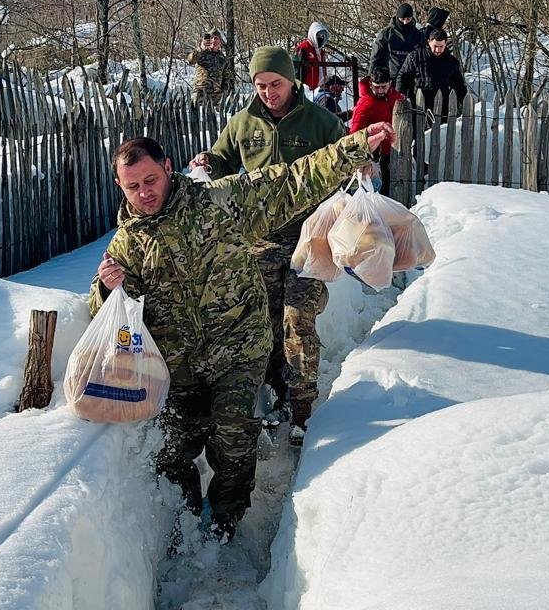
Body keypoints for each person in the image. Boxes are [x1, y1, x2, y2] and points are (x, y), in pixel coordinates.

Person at [93, 120, 394, 543]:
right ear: (120, 187)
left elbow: (290, 182)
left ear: (168, 167)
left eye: (151, 180)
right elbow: (108, 315)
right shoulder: (127, 245)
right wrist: (107, 289)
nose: (144, 193)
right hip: (177, 366)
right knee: (175, 449)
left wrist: (354, 148)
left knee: (233, 437)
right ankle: (182, 522)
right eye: (133, 186)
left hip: (237, 346)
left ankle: (225, 523)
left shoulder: (218, 203)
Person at [188, 46, 346, 447]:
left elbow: (344, 160)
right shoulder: (243, 123)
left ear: (291, 80)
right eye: (260, 85)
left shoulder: (321, 122)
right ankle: (274, 395)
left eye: (275, 84)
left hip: (309, 237)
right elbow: (223, 160)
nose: (268, 93)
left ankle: (302, 409)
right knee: (265, 321)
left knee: (298, 317)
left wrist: (360, 166)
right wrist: (207, 161)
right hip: (259, 240)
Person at [349, 66, 405, 194]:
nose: (380, 90)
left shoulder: (396, 98)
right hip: (376, 155)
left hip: (396, 150)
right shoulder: (366, 103)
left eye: (383, 87)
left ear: (390, 83)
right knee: (380, 189)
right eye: (376, 87)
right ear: (370, 85)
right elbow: (355, 132)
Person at [397, 28, 469, 116]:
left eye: (441, 47)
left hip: (442, 106)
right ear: (429, 42)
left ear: (445, 44)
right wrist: (400, 96)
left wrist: (464, 103)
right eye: (435, 46)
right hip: (417, 104)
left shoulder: (451, 62)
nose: (438, 50)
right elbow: (403, 77)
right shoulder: (415, 57)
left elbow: (459, 84)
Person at [370, 3, 425, 81]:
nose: (405, 22)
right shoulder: (386, 34)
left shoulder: (418, 35)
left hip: (411, 77)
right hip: (390, 77)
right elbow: (375, 56)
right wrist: (371, 76)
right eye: (402, 19)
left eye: (408, 19)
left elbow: (423, 56)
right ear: (397, 18)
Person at [186, 29, 236, 105]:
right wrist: (200, 48)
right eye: (211, 38)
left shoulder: (222, 58)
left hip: (216, 96)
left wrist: (224, 93)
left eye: (216, 38)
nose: (213, 40)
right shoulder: (201, 53)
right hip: (200, 93)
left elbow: (227, 78)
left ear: (220, 41)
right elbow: (190, 60)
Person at [295, 21, 330, 91]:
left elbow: (323, 70)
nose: (320, 38)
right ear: (313, 34)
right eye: (318, 35)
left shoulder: (321, 52)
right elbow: (296, 71)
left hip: (320, 89)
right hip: (306, 90)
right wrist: (298, 88)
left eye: (322, 36)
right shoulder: (303, 48)